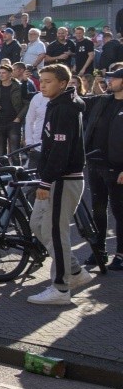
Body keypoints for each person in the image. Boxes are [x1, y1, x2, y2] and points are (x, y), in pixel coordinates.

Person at [27, 64, 94, 304]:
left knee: (56, 231)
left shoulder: (65, 109)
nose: (42, 84)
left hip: (64, 179)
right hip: (55, 178)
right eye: (41, 80)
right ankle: (74, 271)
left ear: (63, 84)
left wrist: (45, 181)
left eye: (48, 81)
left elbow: (60, 150)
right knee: (38, 225)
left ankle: (61, 288)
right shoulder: (55, 105)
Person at [80, 64, 123, 271]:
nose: (110, 81)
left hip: (117, 168)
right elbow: (80, 102)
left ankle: (121, 254)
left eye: (114, 78)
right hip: (95, 164)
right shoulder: (103, 101)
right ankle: (99, 250)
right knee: (98, 209)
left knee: (120, 212)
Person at [0, 64, 28, 157]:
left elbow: (27, 103)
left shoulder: (19, 87)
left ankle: (17, 171)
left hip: (13, 122)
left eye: (4, 73)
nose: (1, 75)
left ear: (10, 74)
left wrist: (19, 118)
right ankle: (2, 171)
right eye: (0, 73)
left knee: (15, 153)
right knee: (1, 154)